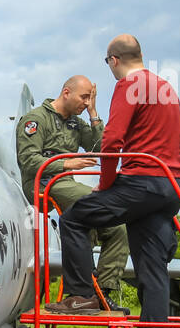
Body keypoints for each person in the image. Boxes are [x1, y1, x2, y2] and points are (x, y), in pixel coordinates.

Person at [45, 36, 180, 328]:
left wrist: (106, 185)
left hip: (142, 183)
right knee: (152, 270)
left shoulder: (129, 85)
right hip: (170, 186)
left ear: (113, 60)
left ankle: (80, 295)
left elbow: (112, 139)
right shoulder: (165, 88)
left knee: (74, 218)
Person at [15, 75, 129, 305]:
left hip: (67, 184)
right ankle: (79, 292)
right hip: (43, 183)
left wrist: (93, 114)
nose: (86, 102)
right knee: (90, 203)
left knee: (118, 226)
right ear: (66, 92)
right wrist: (67, 163)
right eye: (84, 97)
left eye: (90, 98)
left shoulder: (77, 123)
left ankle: (101, 293)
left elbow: (100, 148)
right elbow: (27, 160)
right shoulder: (36, 119)